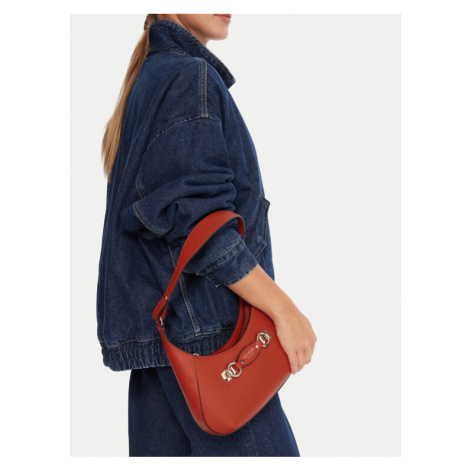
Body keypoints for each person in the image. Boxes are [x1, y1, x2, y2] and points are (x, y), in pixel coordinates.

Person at [97, 14, 317, 457]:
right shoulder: (186, 78)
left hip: (167, 349)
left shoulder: (153, 78)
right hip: (210, 342)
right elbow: (200, 224)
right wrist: (284, 310)